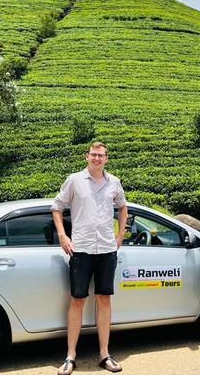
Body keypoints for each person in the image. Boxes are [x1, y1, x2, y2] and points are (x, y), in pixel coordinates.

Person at [52, 141, 128, 374]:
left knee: (104, 299)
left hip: (106, 249)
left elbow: (123, 207)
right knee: (77, 301)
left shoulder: (114, 182)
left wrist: (120, 235)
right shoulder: (74, 180)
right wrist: (63, 237)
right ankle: (70, 356)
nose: (97, 158)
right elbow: (57, 207)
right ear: (87, 157)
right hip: (81, 249)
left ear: (106, 158)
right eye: (93, 154)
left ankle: (104, 354)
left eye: (101, 155)